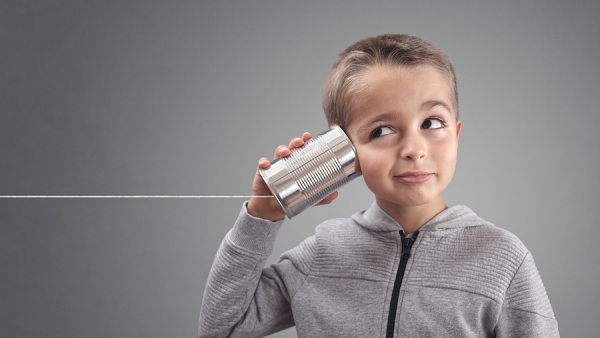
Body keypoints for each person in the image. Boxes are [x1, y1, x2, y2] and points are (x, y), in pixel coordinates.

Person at [198, 34, 559, 337]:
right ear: (344, 150)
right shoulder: (321, 254)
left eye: (432, 122)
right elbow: (222, 327)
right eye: (381, 131)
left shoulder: (502, 258)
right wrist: (262, 217)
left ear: (457, 134)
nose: (414, 150)